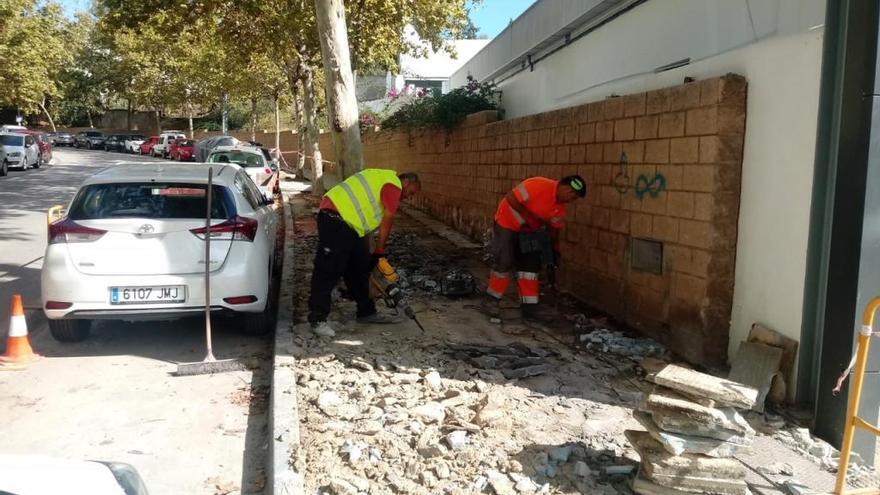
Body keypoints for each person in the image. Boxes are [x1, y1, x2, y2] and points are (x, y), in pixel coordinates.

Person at [308, 169, 422, 336]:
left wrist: (373, 252)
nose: (408, 197)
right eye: (411, 192)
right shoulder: (393, 183)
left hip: (351, 226)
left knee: (360, 268)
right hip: (336, 217)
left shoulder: (381, 178)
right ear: (406, 182)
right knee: (328, 270)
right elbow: (388, 217)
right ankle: (317, 319)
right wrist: (380, 250)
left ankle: (366, 312)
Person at [484, 175, 587, 320]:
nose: (571, 199)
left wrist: (555, 247)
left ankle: (530, 306)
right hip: (507, 223)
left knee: (530, 266)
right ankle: (492, 299)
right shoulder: (538, 185)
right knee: (504, 260)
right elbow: (511, 197)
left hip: (529, 232)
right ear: (565, 188)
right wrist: (529, 216)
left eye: (574, 198)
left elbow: (554, 227)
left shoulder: (559, 209)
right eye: (572, 195)